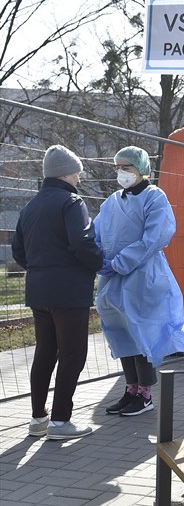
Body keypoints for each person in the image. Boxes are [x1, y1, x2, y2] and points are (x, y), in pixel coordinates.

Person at [12, 145, 103, 440]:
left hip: (39, 291)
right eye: (77, 172)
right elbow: (82, 242)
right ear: (66, 172)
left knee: (45, 352)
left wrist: (41, 269)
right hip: (69, 292)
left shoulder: (30, 207)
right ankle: (61, 422)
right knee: (73, 354)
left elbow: (18, 252)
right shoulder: (71, 202)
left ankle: (38, 419)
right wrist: (98, 265)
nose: (79, 178)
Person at [94, 146, 184, 417]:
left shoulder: (154, 197)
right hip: (114, 281)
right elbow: (98, 234)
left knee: (141, 334)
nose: (121, 172)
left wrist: (119, 262)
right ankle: (131, 389)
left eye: (127, 167)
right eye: (118, 167)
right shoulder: (112, 202)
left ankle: (145, 395)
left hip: (144, 277)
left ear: (142, 169)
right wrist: (99, 260)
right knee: (122, 335)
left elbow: (154, 236)